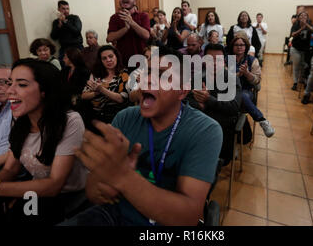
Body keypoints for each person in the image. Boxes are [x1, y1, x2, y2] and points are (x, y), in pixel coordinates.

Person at [60, 45, 222, 226]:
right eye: (146, 73)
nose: (148, 81)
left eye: (161, 75)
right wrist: (102, 179)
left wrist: (124, 178)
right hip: (114, 213)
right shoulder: (125, 118)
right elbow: (93, 193)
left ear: (182, 91)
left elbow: (188, 217)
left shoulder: (204, 130)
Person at [0, 59, 87, 225]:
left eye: (22, 84)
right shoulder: (21, 121)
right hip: (35, 192)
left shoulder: (70, 121)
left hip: (68, 198)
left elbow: (55, 184)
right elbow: (10, 168)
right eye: (11, 83)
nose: (10, 90)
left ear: (44, 90)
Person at [186, 43, 241, 166]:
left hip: (222, 124)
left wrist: (208, 99)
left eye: (218, 59)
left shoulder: (232, 79)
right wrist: (199, 104)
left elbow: (234, 107)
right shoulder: (198, 77)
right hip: (199, 121)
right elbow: (188, 98)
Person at [228, 34, 275, 137]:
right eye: (236, 45)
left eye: (242, 44)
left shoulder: (252, 60)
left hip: (246, 91)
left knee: (242, 96)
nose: (239, 47)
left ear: (246, 47)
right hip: (228, 90)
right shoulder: (227, 59)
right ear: (232, 47)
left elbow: (257, 81)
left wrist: (246, 73)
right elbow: (222, 78)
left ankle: (262, 121)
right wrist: (238, 75)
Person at [81, 45, 129, 124]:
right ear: (101, 61)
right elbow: (84, 95)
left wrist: (101, 89)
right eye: (104, 58)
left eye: (111, 56)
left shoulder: (124, 74)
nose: (108, 60)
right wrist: (96, 93)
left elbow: (121, 99)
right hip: (94, 115)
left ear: (116, 56)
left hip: (115, 116)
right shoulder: (96, 74)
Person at [107, 0, 150, 68]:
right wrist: (125, 29)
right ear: (119, 0)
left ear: (134, 1)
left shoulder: (143, 16)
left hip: (140, 61)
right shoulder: (114, 17)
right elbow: (109, 38)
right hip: (122, 62)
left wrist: (131, 22)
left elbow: (146, 35)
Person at [290, 12, 313, 91]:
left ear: (307, 17)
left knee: (305, 66)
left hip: (306, 50)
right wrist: (301, 29)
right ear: (298, 17)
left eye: (305, 15)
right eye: (301, 15)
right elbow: (293, 34)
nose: (303, 16)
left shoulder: (310, 25)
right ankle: (295, 83)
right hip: (295, 48)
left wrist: (306, 25)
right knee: (296, 65)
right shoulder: (295, 25)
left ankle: (303, 80)